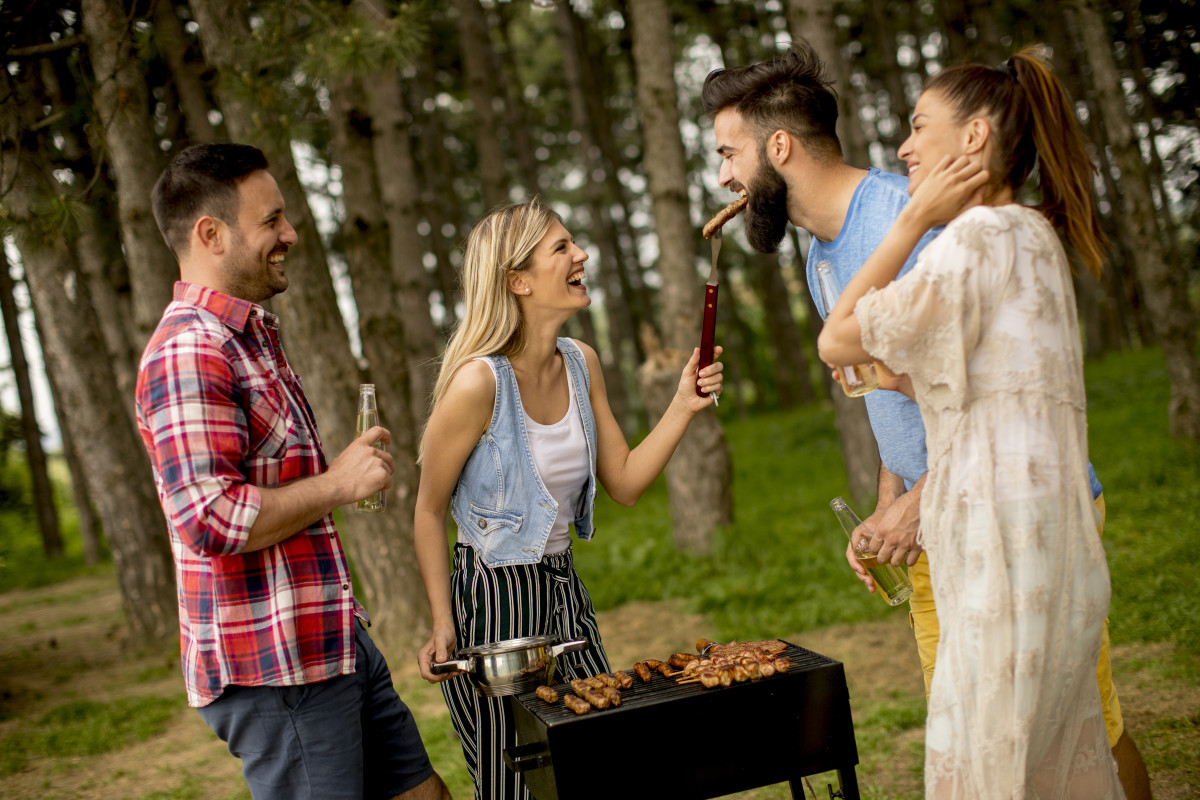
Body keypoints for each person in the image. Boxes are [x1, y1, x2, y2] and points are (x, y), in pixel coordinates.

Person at [702, 44, 1150, 798]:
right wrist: (890, 500)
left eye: (727, 152)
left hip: (1014, 512)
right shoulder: (822, 256)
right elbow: (894, 392)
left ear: (778, 147)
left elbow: (1000, 387)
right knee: (981, 743)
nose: (723, 178)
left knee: (1082, 731)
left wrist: (922, 498)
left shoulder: (916, 222)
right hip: (938, 522)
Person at [812, 46, 1126, 797]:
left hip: (998, 541)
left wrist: (910, 220)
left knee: (990, 763)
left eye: (920, 127)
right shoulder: (1031, 237)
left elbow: (836, 336)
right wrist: (899, 379)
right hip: (1047, 534)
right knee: (1058, 751)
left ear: (976, 137)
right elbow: (995, 395)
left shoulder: (973, 240)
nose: (904, 146)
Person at [136, 143, 451, 800]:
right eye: (272, 219)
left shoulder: (248, 337)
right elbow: (210, 520)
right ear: (211, 233)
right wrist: (338, 484)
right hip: (276, 673)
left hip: (330, 640)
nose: (290, 234)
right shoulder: (189, 351)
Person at [414, 197, 723, 800]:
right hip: (492, 604)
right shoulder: (478, 383)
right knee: (518, 785)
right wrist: (442, 620)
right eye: (561, 247)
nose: (580, 254)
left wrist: (683, 404)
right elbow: (427, 509)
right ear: (518, 281)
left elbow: (626, 483)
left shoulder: (582, 363)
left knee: (600, 761)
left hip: (563, 591)